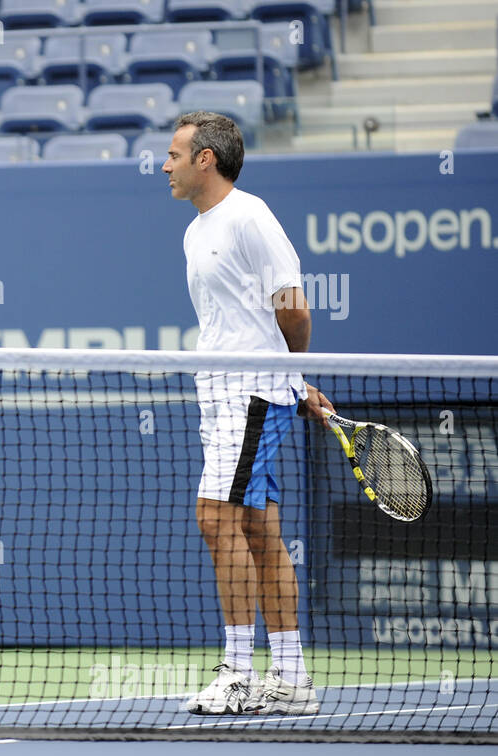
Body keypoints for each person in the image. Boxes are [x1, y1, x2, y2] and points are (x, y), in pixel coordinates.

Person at [161, 112, 334, 717]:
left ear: (205, 159)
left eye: (176, 154)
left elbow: (293, 311)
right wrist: (296, 379)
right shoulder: (194, 231)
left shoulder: (251, 218)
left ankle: (237, 672)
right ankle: (289, 678)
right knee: (258, 530)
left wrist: (291, 376)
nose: (166, 165)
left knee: (215, 520)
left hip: (253, 396)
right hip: (222, 397)